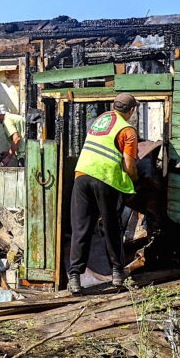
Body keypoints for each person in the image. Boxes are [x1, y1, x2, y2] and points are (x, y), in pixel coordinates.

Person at [67, 93, 139, 294]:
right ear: (131, 111)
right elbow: (129, 165)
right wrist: (134, 181)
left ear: (113, 106)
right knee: (111, 226)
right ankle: (117, 273)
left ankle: (74, 278)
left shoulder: (101, 120)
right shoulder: (128, 131)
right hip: (104, 179)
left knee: (81, 227)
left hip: (81, 175)